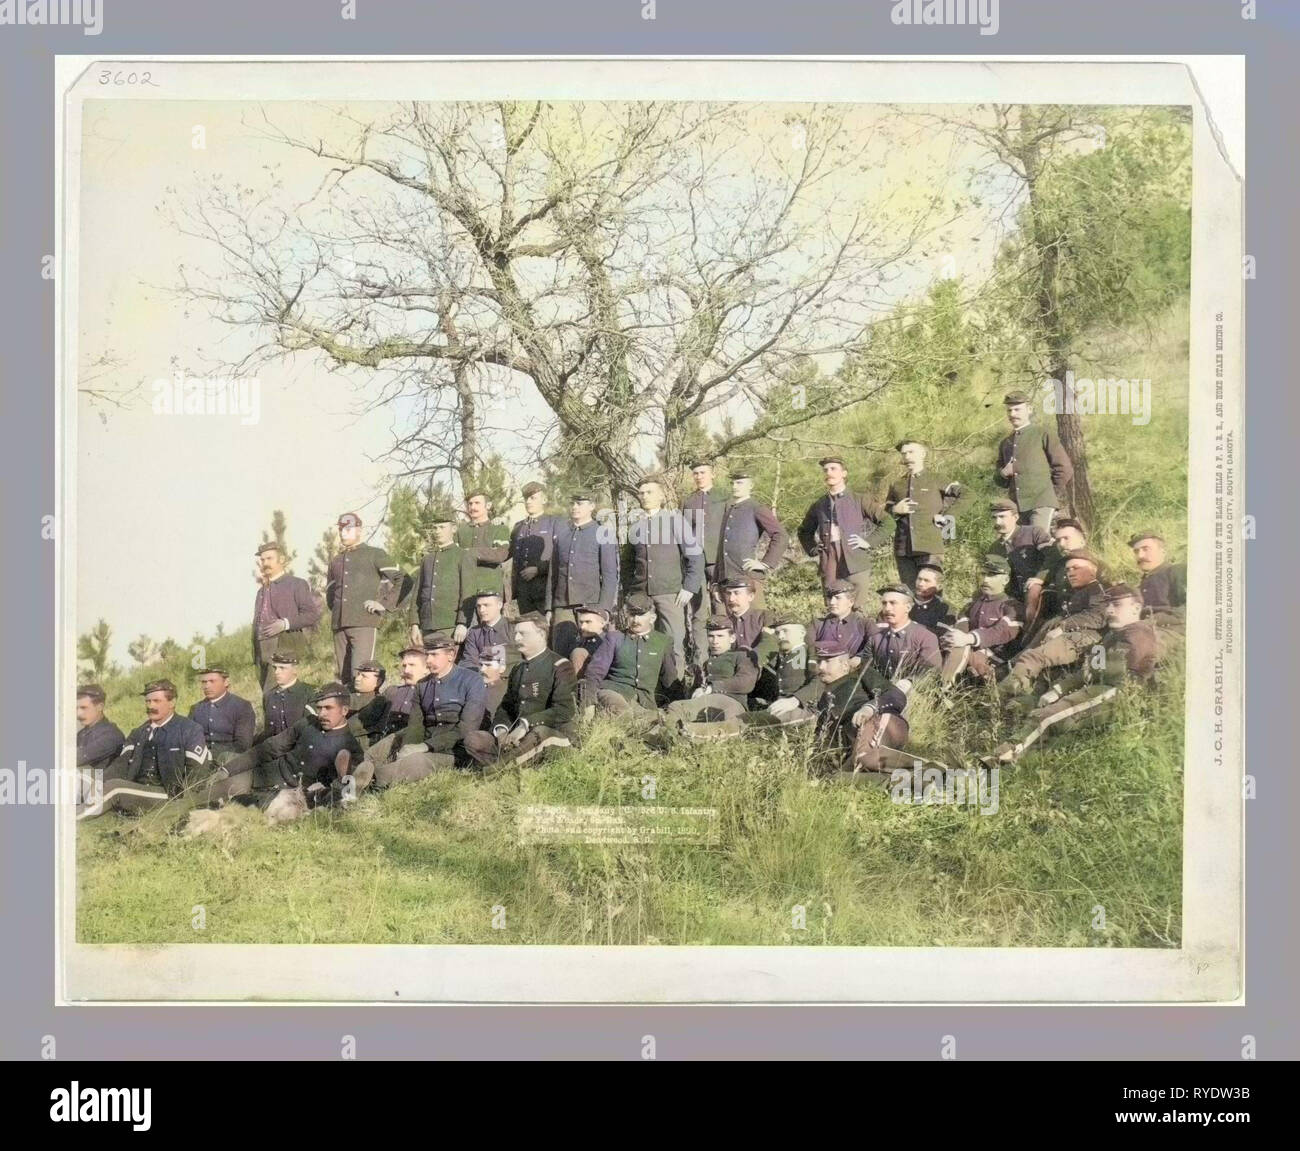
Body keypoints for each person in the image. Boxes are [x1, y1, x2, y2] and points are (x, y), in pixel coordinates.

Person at [986, 584, 1158, 765]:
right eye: (1107, 605)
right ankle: (1022, 762)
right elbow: (1090, 670)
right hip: (1100, 689)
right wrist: (1060, 689)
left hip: (1117, 693)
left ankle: (1000, 758)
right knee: (1049, 725)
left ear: (1136, 608)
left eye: (1116, 605)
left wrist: (1079, 681)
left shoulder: (1139, 633)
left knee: (1047, 717)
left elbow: (1119, 674)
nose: (1109, 610)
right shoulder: (1111, 636)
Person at [210, 684, 365, 810]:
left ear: (344, 710)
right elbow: (270, 748)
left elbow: (341, 791)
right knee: (205, 796)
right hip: (265, 775)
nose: (321, 714)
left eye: (328, 708)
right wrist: (228, 769)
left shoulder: (351, 748)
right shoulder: (308, 722)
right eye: (319, 708)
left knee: (228, 810)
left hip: (287, 798)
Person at [77, 680, 210, 820]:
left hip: (168, 794)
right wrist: (99, 783)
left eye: (156, 701)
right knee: (87, 777)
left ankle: (68, 819)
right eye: (148, 702)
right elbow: (120, 765)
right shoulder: (139, 732)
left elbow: (197, 772)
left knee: (115, 787)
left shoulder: (189, 729)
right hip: (136, 789)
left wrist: (182, 804)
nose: (151, 706)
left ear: (172, 703)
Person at [463, 614, 578, 773]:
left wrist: (525, 725)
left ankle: (496, 772)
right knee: (474, 739)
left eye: (522, 633)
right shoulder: (518, 669)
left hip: (551, 735)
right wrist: (502, 731)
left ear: (541, 635)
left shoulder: (560, 666)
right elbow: (506, 708)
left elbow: (564, 710)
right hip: (517, 739)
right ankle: (517, 765)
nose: (516, 638)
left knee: (540, 733)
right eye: (515, 633)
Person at [787, 643, 912, 776]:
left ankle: (924, 767)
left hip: (880, 721)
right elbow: (824, 740)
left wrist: (869, 708)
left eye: (828, 661)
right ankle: (914, 780)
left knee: (865, 757)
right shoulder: (824, 699)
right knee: (840, 777)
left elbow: (896, 695)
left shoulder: (860, 674)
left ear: (845, 665)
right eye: (819, 661)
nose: (821, 666)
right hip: (858, 743)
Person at [999, 550, 1108, 697]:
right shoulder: (1079, 591)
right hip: (1072, 637)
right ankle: (1012, 694)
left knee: (1033, 657)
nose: (1070, 572)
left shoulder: (1096, 590)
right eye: (1068, 569)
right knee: (1035, 664)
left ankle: (1000, 695)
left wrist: (1062, 627)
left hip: (1084, 638)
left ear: (1093, 571)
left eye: (1076, 568)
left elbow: (1097, 616)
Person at [623, 476, 705, 673]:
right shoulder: (635, 527)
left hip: (670, 593)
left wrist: (689, 587)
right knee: (642, 641)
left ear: (661, 495)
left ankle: (676, 689)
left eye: (650, 492)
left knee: (673, 641)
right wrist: (628, 593)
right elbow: (627, 564)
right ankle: (648, 688)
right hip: (641, 595)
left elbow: (695, 556)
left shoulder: (675, 521)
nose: (645, 496)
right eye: (641, 493)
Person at [383, 636, 493, 781]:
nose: (428, 660)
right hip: (428, 744)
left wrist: (424, 746)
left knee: (415, 763)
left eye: (434, 655)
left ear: (451, 655)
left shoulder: (472, 680)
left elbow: (467, 728)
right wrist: (408, 748)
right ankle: (365, 769)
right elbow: (416, 726)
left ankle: (374, 780)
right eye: (427, 655)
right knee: (385, 748)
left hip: (455, 750)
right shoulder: (422, 685)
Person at [797, 455, 888, 603]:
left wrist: (868, 542)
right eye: (825, 470)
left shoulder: (859, 499)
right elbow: (804, 531)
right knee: (832, 606)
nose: (828, 473)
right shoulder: (819, 504)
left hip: (855, 559)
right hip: (829, 560)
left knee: (857, 608)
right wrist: (813, 548)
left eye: (833, 469)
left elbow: (888, 522)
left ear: (844, 473)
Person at [326, 511, 402, 682]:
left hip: (364, 622)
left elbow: (401, 578)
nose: (343, 533)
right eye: (341, 529)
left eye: (348, 529)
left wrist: (384, 604)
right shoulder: (336, 561)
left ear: (359, 530)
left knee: (362, 674)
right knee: (345, 679)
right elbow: (331, 594)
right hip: (339, 625)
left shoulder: (374, 554)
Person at [582, 594, 681, 719]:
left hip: (644, 701)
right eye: (632, 615)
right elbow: (595, 671)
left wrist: (678, 707)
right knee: (622, 712)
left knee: (654, 722)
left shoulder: (663, 642)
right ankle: (594, 727)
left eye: (641, 615)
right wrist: (588, 703)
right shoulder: (614, 638)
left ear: (652, 618)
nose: (635, 620)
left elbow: (669, 677)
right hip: (613, 692)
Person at [882, 439, 963, 590]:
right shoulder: (896, 484)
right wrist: (895, 510)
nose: (907, 457)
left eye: (911, 452)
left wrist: (947, 516)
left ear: (923, 454)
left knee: (931, 593)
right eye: (904, 453)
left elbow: (967, 495)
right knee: (910, 594)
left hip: (930, 547)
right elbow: (884, 517)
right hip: (903, 550)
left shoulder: (937, 479)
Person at [550, 492, 620, 659]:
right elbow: (553, 574)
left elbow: (610, 575)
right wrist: (549, 607)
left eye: (580, 503)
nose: (575, 507)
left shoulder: (602, 532)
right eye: (573, 503)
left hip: (591, 603)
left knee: (592, 652)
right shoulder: (562, 534)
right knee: (561, 652)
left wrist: (603, 608)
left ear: (592, 506)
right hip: (563, 604)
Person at [939, 555, 1024, 685]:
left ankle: (943, 688)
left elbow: (1001, 632)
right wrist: (954, 637)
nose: (985, 580)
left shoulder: (1012, 606)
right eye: (983, 574)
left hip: (998, 660)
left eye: (991, 575)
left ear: (1005, 579)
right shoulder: (973, 604)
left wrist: (968, 639)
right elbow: (962, 625)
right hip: (971, 652)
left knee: (962, 648)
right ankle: (943, 686)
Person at [994, 391, 1074, 531]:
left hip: (1041, 504)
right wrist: (1003, 473)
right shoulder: (1005, 443)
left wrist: (1048, 493)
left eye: (1017, 409)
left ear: (1029, 410)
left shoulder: (1043, 434)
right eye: (1009, 410)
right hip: (1016, 508)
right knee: (1021, 547)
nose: (1012, 414)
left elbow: (1064, 467)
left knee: (1039, 541)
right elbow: (999, 481)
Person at [665, 618, 761, 728]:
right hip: (707, 702)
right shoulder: (707, 662)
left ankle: (678, 733)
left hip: (730, 703)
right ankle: (674, 734)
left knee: (677, 708)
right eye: (711, 636)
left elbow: (746, 683)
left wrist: (711, 688)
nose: (715, 641)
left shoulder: (742, 656)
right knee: (677, 709)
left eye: (720, 636)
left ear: (732, 638)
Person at [251, 541, 322, 688]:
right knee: (267, 697)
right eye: (262, 560)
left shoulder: (296, 584)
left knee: (273, 694)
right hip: (261, 649)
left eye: (269, 558)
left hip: (283, 646)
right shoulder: (261, 591)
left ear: (281, 560)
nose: (265, 563)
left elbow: (312, 614)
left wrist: (285, 624)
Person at [682, 460, 731, 667]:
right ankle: (700, 662)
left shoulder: (724, 498)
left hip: (718, 562)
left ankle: (725, 659)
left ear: (712, 474)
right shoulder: (688, 501)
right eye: (695, 473)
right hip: (695, 565)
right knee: (699, 613)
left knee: (721, 610)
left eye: (703, 472)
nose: (699, 476)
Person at [713, 471, 788, 605]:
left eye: (740, 483)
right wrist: (716, 581)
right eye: (733, 483)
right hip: (726, 580)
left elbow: (780, 535)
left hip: (747, 577)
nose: (735, 486)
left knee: (754, 620)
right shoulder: (729, 509)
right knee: (730, 624)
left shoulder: (756, 508)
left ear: (751, 485)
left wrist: (765, 563)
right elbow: (722, 548)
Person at [406, 508, 477, 647]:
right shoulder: (427, 559)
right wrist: (414, 624)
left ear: (454, 528)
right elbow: (417, 595)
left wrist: (462, 623)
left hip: (450, 626)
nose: (437, 531)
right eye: (435, 528)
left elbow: (468, 592)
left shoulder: (462, 556)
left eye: (442, 527)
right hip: (426, 627)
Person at [861, 583, 943, 683]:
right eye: (884, 603)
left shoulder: (925, 637)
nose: (887, 608)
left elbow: (931, 672)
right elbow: (865, 671)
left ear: (908, 608)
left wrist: (909, 682)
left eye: (893, 603)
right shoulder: (875, 638)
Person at [458, 590, 519, 719]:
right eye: (479, 606)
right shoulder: (475, 633)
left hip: (512, 683)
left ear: (499, 605)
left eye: (487, 605)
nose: (482, 610)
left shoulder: (514, 628)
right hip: (483, 682)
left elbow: (526, 657)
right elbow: (468, 662)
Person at [1023, 517, 1088, 632]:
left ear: (1083, 539)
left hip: (1078, 622)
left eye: (1066, 538)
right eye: (1058, 540)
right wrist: (1040, 580)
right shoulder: (1061, 563)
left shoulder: (1091, 565)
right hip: (1059, 617)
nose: (1062, 544)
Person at [188, 667, 256, 769]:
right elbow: (189, 740)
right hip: (200, 763)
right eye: (204, 682)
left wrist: (211, 755)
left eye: (212, 681)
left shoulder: (241, 706)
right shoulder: (196, 709)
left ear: (226, 682)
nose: (207, 686)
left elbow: (243, 745)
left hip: (231, 764)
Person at [509, 482, 561, 616]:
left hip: (545, 590)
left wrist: (539, 569)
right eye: (526, 498)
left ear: (544, 499)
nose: (528, 502)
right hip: (524, 592)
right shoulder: (518, 527)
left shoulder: (554, 523)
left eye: (533, 498)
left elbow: (561, 556)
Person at [988, 498, 1054, 603]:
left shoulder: (1034, 533)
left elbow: (1053, 556)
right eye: (994, 517)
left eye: (1002, 517)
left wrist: (1041, 577)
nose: (997, 522)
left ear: (1015, 517)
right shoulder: (995, 548)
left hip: (1044, 591)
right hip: (1015, 599)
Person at [456, 491, 512, 603]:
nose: (473, 507)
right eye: (470, 504)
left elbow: (500, 554)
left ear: (488, 505)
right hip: (464, 589)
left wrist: (471, 553)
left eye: (477, 503)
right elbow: (455, 556)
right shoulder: (461, 530)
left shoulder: (498, 528)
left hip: (490, 589)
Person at [75, 684, 124, 805]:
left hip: (100, 789)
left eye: (84, 708)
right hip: (81, 786)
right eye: (76, 708)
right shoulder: (82, 733)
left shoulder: (111, 734)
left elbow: (76, 758)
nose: (79, 714)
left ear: (100, 707)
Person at [1128, 531, 1187, 625]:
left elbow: (1191, 608)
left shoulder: (1177, 571)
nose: (1140, 556)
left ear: (1162, 552)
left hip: (1171, 629)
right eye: (1136, 551)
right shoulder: (1144, 582)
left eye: (1146, 549)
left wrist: (1154, 620)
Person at [717, 576, 776, 663]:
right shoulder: (723, 624)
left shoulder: (765, 617)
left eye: (737, 593)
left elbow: (771, 644)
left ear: (751, 596)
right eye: (728, 593)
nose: (731, 599)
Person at [258, 655, 316, 740]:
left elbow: (312, 731)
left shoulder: (309, 693)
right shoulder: (269, 696)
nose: (276, 672)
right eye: (275, 668)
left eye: (282, 668)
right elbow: (269, 733)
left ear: (295, 670)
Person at [808, 579, 871, 657]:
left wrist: (860, 658)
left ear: (851, 602)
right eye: (830, 598)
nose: (831, 602)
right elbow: (808, 649)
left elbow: (876, 645)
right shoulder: (817, 624)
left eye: (837, 598)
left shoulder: (865, 624)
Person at [565, 605, 613, 676]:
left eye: (588, 622)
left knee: (578, 653)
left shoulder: (610, 642)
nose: (582, 627)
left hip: (601, 682)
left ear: (602, 624)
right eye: (581, 622)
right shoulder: (582, 641)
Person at [909, 563, 955, 636]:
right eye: (919, 579)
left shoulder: (945, 607)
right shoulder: (903, 601)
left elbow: (943, 634)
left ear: (938, 586)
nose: (920, 584)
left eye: (926, 581)